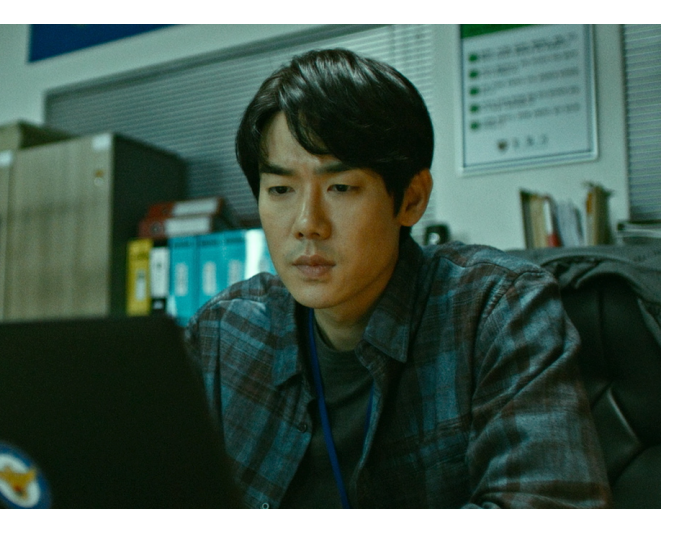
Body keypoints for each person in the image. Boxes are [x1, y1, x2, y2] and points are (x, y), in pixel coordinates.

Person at [183, 49, 611, 509]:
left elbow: (547, 499)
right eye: (281, 189)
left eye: (341, 187)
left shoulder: (496, 311)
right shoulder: (224, 334)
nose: (307, 224)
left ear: (411, 199)